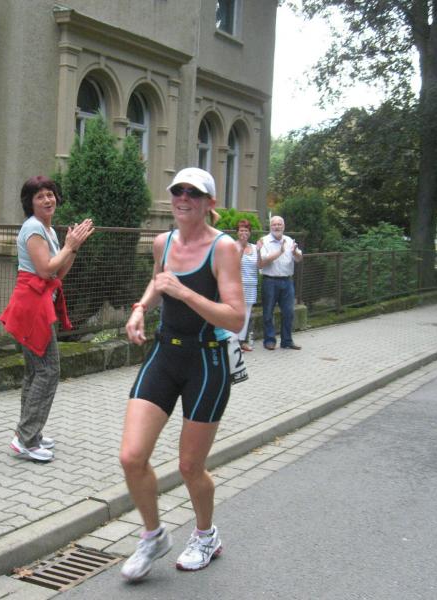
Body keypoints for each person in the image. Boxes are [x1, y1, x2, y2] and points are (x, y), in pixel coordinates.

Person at [119, 167, 245, 581]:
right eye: (178, 191)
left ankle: (206, 535)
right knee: (131, 457)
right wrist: (141, 308)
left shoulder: (224, 248)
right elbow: (159, 282)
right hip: (164, 354)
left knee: (190, 466)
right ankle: (153, 535)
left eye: (194, 192)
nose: (183, 198)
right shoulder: (164, 241)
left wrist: (184, 292)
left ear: (210, 203)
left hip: (207, 363)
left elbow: (236, 317)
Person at [0, 175, 94, 461]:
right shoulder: (33, 228)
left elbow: (58, 273)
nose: (47, 199)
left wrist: (72, 247)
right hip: (32, 307)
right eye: (39, 196)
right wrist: (68, 246)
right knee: (48, 371)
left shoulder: (47, 230)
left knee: (36, 372)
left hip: (39, 304)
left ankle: (28, 433)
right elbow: (44, 270)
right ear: (30, 202)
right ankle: (26, 440)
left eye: (50, 194)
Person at [258, 215, 303, 350]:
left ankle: (287, 341)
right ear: (270, 227)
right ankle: (269, 340)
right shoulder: (264, 241)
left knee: (289, 312)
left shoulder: (289, 240)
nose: (277, 227)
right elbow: (262, 262)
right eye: (274, 224)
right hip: (270, 281)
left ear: (284, 226)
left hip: (287, 281)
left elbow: (299, 258)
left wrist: (295, 252)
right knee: (268, 312)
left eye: (279, 224)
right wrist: (280, 251)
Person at [234, 219, 259, 352]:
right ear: (237, 232)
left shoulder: (254, 248)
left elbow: (259, 265)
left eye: (246, 230)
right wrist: (242, 247)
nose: (244, 233)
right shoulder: (233, 246)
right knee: (236, 314)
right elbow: (234, 265)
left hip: (251, 286)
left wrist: (260, 251)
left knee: (246, 314)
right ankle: (233, 342)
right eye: (241, 230)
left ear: (250, 233)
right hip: (237, 286)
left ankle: (241, 341)